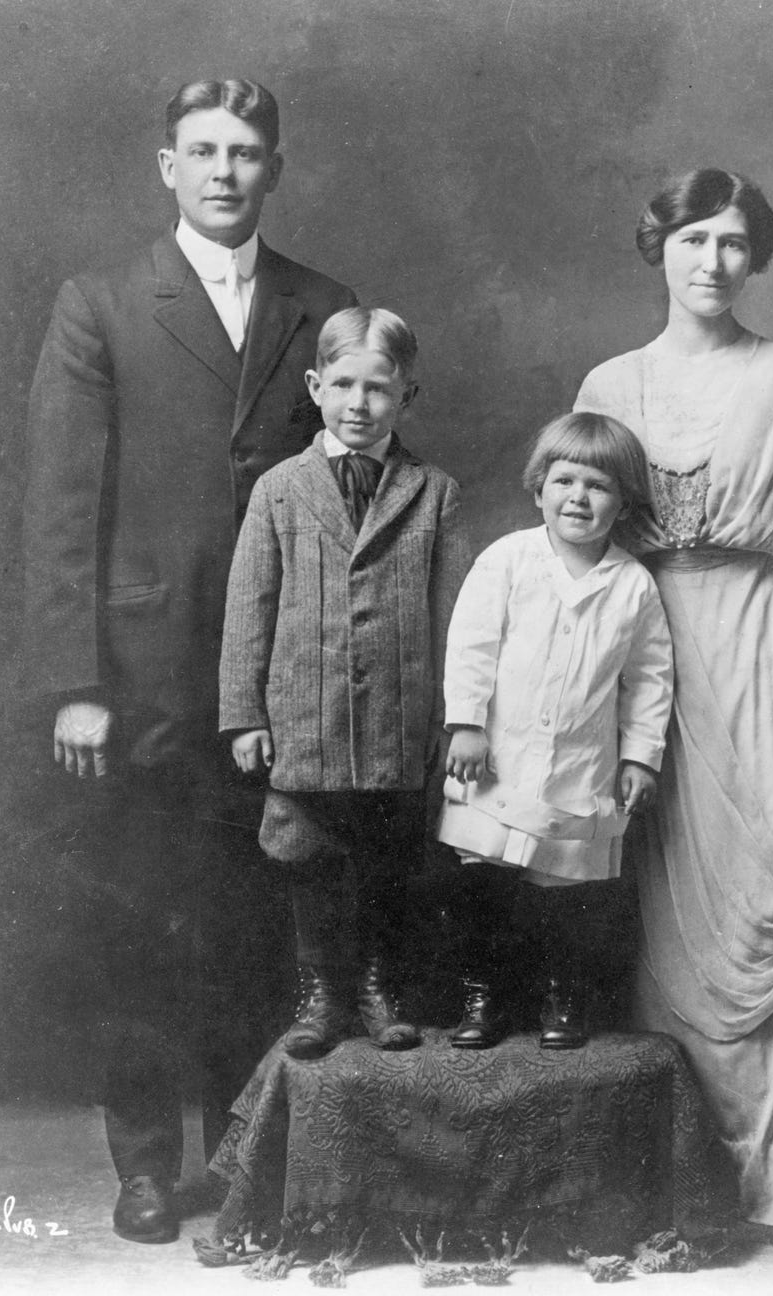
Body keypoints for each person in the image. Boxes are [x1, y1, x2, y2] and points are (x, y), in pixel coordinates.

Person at [21, 78, 356, 1243]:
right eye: (203, 151)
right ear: (167, 166)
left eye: (248, 152)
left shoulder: (324, 305)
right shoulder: (103, 303)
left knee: (259, 919)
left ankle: (242, 1153)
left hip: (273, 672)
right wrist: (74, 682)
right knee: (143, 924)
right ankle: (148, 1167)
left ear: (274, 169)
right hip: (142, 673)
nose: (225, 171)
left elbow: (346, 497)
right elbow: (63, 510)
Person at [574, 168, 773, 1257]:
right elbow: (584, 549)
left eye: (732, 243)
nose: (711, 261)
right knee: (677, 908)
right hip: (658, 646)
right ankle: (695, 1177)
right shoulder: (610, 384)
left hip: (772, 645)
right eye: (691, 239)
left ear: (753, 259)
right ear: (655, 248)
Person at [219, 306, 469, 1061]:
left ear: (408, 396)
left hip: (398, 715)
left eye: (380, 390)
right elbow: (248, 606)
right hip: (305, 715)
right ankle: (323, 994)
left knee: (388, 857)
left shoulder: (434, 493)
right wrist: (242, 716)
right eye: (345, 386)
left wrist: (454, 717)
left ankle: (376, 985)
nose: (360, 404)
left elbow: (457, 614)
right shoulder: (280, 490)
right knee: (307, 853)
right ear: (315, 386)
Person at [437, 412, 673, 1050]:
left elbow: (650, 679)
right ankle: (483, 996)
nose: (578, 497)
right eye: (564, 480)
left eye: (598, 486)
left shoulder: (632, 586)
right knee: (484, 881)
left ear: (622, 502)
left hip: (580, 768)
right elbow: (472, 646)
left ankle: (561, 997)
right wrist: (466, 722)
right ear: (538, 487)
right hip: (497, 762)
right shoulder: (508, 561)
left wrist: (641, 759)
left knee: (566, 897)